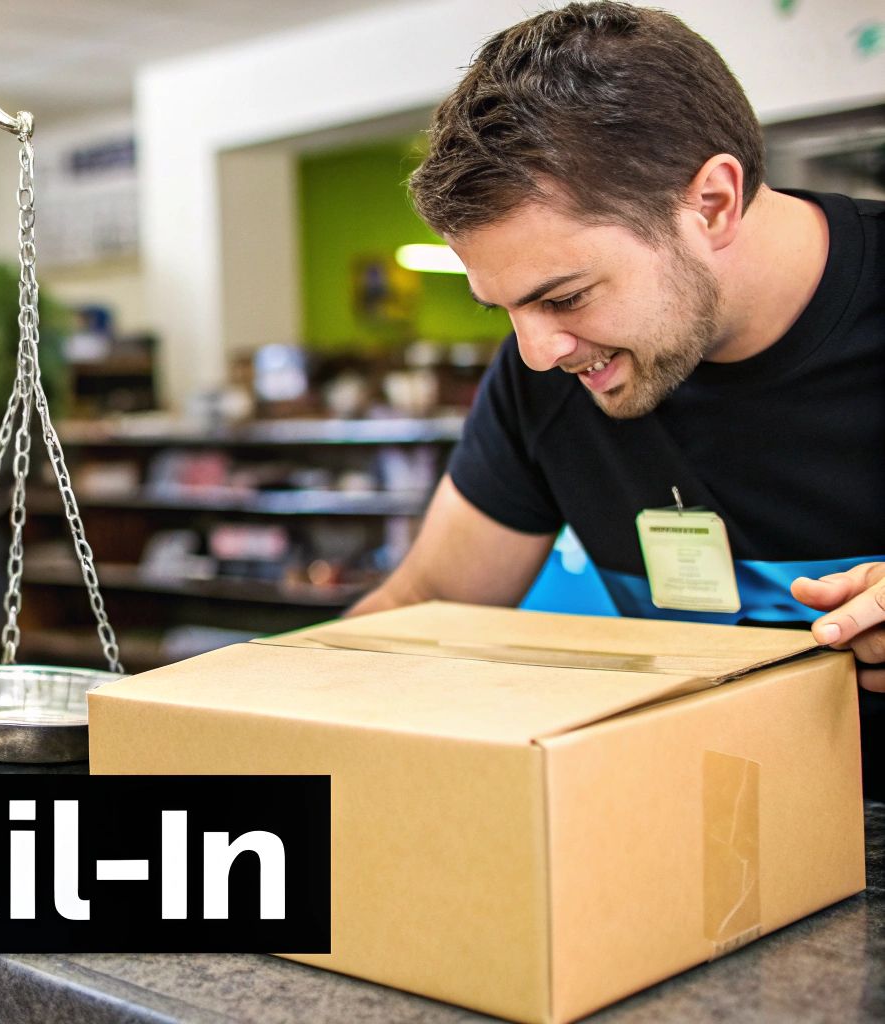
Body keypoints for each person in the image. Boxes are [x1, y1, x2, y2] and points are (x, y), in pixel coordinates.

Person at [351, 2, 885, 797]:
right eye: (504, 310)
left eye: (565, 297)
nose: (538, 354)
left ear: (712, 204)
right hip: (699, 833)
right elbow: (425, 606)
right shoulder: (548, 374)